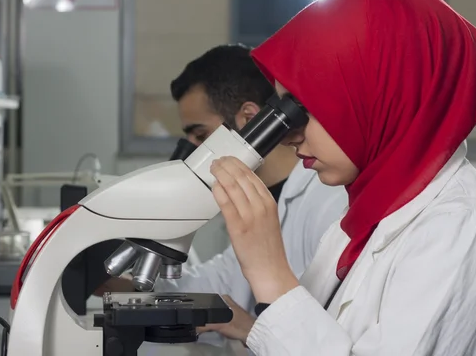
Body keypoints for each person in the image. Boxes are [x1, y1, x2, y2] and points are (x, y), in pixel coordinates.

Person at [207, 0, 476, 354]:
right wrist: (254, 327)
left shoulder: (463, 230)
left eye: (305, 108)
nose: (289, 135)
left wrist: (270, 275)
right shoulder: (363, 222)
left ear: (380, 98)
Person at [102, 44, 348, 341]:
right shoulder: (263, 199)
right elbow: (215, 286)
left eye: (201, 135)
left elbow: (330, 335)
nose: (193, 150)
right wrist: (101, 280)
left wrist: (251, 330)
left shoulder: (329, 202)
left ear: (248, 118)